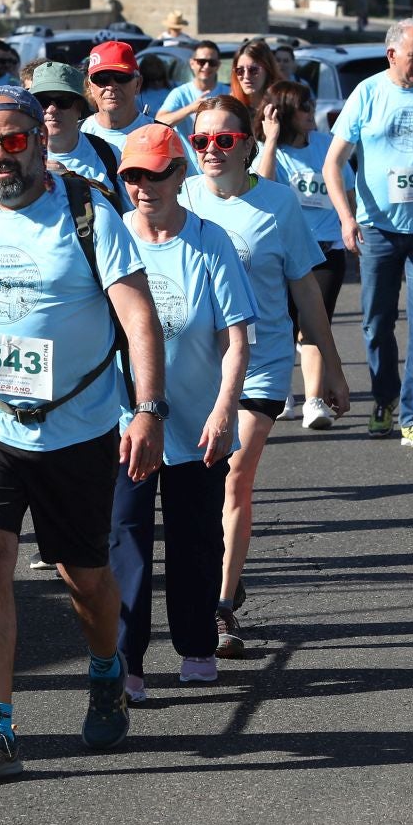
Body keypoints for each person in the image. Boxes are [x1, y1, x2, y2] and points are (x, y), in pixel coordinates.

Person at [0, 86, 168, 783]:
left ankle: (106, 670)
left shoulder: (87, 212)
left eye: (13, 141)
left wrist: (149, 409)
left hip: (76, 428)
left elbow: (139, 317)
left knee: (84, 577)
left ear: (38, 140)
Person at [184, 96, 349, 657]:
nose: (211, 149)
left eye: (224, 139)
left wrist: (332, 368)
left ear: (248, 145)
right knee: (197, 484)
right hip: (197, 366)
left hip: (262, 361)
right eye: (201, 140)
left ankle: (220, 607)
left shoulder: (277, 203)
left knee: (233, 473)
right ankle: (220, 573)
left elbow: (306, 290)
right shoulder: (180, 197)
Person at [108, 126, 253, 700]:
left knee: (196, 540)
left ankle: (196, 644)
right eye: (133, 176)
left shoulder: (210, 241)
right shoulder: (111, 237)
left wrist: (225, 410)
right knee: (126, 541)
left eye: (156, 173)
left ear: (180, 173)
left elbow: (236, 340)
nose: (144, 186)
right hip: (124, 423)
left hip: (198, 422)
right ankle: (126, 661)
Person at [322, 19, 413, 450]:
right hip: (378, 228)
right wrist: (347, 218)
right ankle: (384, 398)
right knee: (376, 323)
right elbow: (332, 165)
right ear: (392, 55)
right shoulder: (367, 93)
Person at [255, 80, 345, 430]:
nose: (311, 111)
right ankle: (282, 394)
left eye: (311, 104)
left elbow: (346, 188)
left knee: (314, 325)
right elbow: (262, 187)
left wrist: (349, 224)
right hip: (282, 254)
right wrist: (271, 141)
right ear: (286, 112)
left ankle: (313, 400)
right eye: (304, 106)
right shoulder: (267, 150)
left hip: (325, 250)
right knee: (284, 326)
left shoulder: (325, 145)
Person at [31, 62, 127, 211]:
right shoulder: (18, 154)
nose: (52, 109)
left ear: (80, 107)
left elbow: (129, 215)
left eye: (63, 101)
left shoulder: (109, 154)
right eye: (42, 101)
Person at [79, 41, 153, 153]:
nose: (111, 86)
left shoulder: (163, 135)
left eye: (121, 77)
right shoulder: (73, 135)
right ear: (90, 86)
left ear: (138, 84)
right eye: (102, 78)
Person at [155, 40, 231, 128]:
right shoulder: (180, 93)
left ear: (218, 65)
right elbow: (158, 121)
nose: (206, 66)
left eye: (212, 63)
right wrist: (191, 109)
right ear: (192, 63)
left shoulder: (229, 93)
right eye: (201, 62)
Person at [135, 53, 174, 123]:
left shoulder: (175, 88)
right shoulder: (138, 97)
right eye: (152, 79)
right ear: (144, 79)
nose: (157, 83)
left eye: (159, 78)